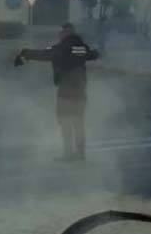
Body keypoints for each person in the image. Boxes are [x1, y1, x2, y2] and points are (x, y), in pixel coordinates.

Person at [15, 23, 99, 161]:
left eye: (61, 33)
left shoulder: (61, 48)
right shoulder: (81, 48)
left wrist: (25, 53)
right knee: (78, 123)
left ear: (64, 34)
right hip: (80, 92)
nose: (59, 35)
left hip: (66, 92)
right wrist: (95, 53)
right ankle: (80, 154)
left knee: (66, 123)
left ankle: (68, 154)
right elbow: (92, 54)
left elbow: (45, 54)